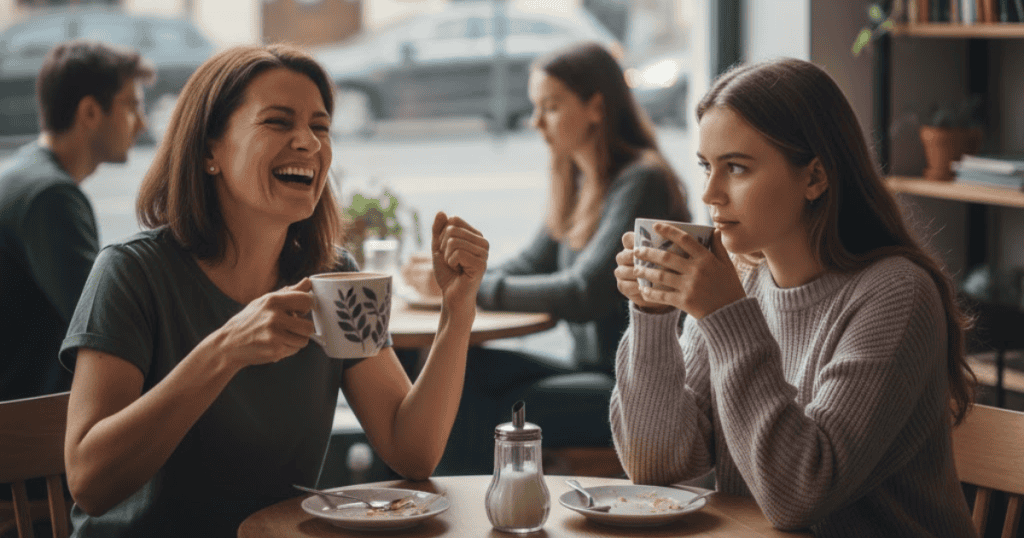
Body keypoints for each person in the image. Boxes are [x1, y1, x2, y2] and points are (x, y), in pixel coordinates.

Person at [59, 44, 489, 537]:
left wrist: (457, 310)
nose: (308, 142)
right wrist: (224, 350)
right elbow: (90, 483)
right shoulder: (131, 273)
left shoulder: (335, 278)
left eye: (321, 127)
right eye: (278, 122)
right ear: (209, 151)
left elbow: (411, 450)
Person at [611, 57, 978, 537]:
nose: (710, 194)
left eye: (736, 168)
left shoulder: (896, 294)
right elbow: (656, 467)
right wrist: (653, 315)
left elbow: (800, 496)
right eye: (706, 167)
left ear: (815, 177)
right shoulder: (739, 283)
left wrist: (726, 316)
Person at [403, 41, 691, 475]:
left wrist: (473, 288)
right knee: (451, 368)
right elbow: (529, 264)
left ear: (596, 108)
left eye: (551, 107)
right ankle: (431, 497)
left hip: (633, 387)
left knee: (481, 404)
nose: (536, 121)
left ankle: (458, 504)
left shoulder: (642, 180)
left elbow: (582, 292)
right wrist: (456, 275)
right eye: (536, 107)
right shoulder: (578, 179)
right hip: (587, 369)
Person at [0, 39, 152, 401]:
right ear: (90, 112)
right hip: (25, 418)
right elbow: (106, 329)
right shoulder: (50, 197)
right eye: (132, 106)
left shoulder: (27, 174)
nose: (142, 124)